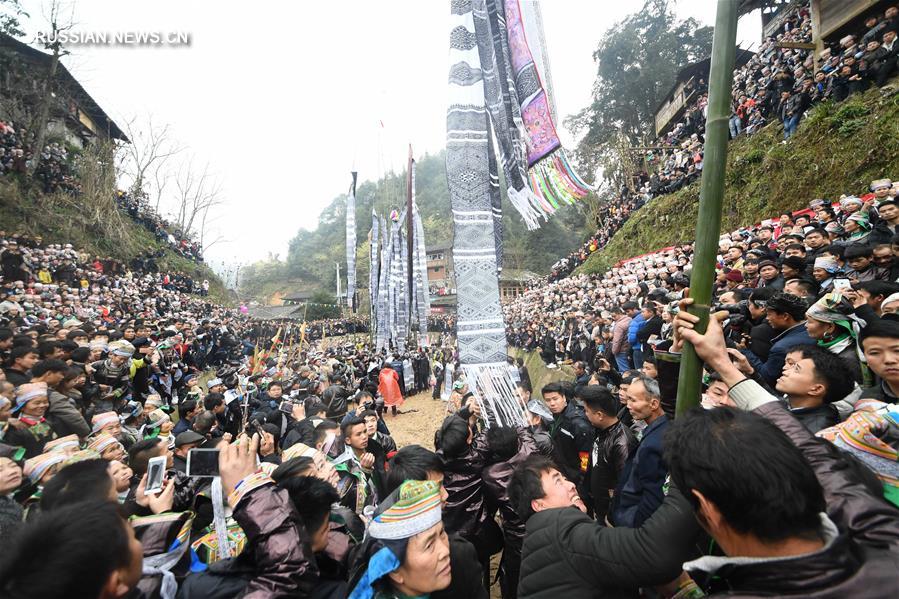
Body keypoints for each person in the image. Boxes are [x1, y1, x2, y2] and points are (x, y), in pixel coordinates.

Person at [672, 300, 899, 596]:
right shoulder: (885, 539)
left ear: (708, 509)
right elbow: (814, 456)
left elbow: (812, 453)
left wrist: (681, 590)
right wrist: (720, 363)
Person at [509, 454, 699, 598]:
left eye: (565, 478)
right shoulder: (561, 531)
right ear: (539, 505)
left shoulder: (539, 541)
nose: (571, 485)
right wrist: (684, 475)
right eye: (558, 481)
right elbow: (653, 552)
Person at [348, 480, 453, 599]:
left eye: (442, 533)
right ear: (395, 571)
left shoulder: (460, 570)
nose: (445, 551)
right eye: (429, 545)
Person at [610, 373, 669, 528]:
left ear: (654, 404)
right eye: (627, 398)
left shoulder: (655, 444)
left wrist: (632, 524)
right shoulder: (658, 428)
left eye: (633, 400)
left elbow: (652, 497)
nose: (628, 405)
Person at [578, 385, 636, 522]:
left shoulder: (622, 443)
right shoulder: (599, 430)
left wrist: (610, 515)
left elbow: (626, 486)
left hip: (612, 515)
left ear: (599, 415)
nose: (584, 414)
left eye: (586, 411)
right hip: (600, 507)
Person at [741, 292, 816, 387]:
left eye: (769, 314)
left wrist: (745, 351)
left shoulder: (781, 348)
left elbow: (766, 377)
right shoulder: (812, 331)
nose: (767, 318)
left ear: (785, 316)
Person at [541, 382, 593, 493]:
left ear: (563, 397)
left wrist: (582, 479)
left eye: (555, 399)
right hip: (565, 470)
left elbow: (586, 456)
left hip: (578, 476)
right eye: (548, 400)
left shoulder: (577, 423)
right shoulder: (555, 416)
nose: (552, 404)